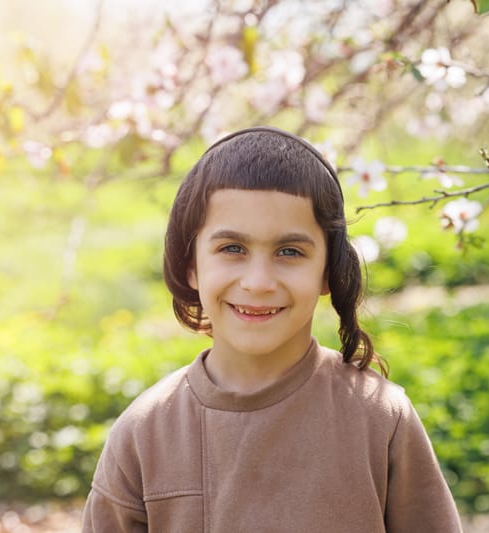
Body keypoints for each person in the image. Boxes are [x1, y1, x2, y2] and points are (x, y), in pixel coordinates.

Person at [81, 126, 463, 532]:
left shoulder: (380, 418)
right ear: (191, 264)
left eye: (289, 251)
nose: (258, 282)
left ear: (328, 271)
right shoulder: (144, 434)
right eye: (232, 248)